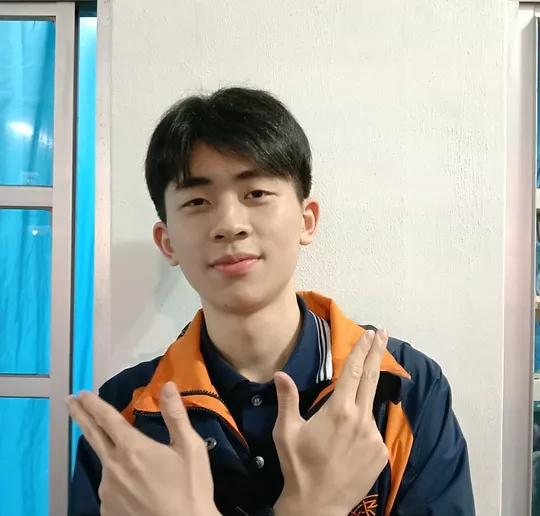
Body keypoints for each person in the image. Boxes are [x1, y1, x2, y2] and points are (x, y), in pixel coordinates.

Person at [68, 87, 475, 516]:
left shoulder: (403, 389)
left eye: (256, 193)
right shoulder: (127, 418)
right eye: (197, 201)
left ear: (306, 220)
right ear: (167, 242)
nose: (229, 224)